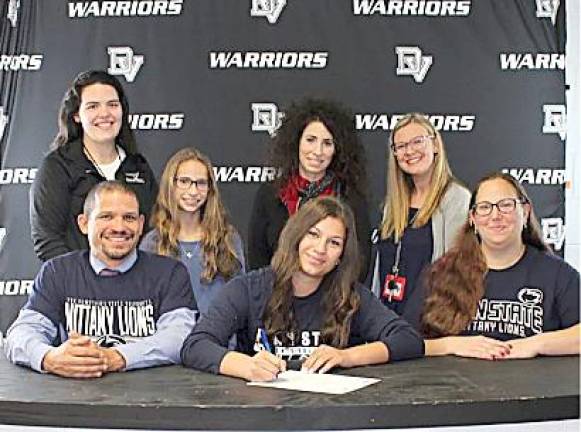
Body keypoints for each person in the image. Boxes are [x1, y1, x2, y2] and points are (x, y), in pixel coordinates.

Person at [181, 197, 424, 382]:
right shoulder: (248, 288)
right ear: (295, 236)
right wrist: (244, 366)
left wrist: (346, 356)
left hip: (329, 418)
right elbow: (196, 345)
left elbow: (408, 340)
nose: (320, 249)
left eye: (334, 243)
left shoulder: (351, 295)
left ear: (341, 256)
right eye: (313, 234)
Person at [5, 181, 197, 378]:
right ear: (84, 223)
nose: (119, 227)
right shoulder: (58, 272)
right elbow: (21, 333)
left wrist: (116, 357)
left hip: (151, 401)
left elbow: (180, 336)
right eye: (106, 216)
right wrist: (49, 358)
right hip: (74, 400)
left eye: (129, 218)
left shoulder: (169, 272)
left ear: (140, 225)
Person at [421, 172, 579, 359]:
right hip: (459, 386)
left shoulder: (558, 275)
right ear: (473, 218)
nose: (495, 216)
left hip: (533, 387)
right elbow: (406, 341)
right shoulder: (442, 272)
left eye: (506, 205)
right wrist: (451, 344)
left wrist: (536, 344)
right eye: (485, 207)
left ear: (525, 211)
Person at [30, 70, 158, 262]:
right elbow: (47, 241)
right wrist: (86, 282)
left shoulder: (138, 167)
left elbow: (154, 233)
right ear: (76, 115)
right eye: (93, 106)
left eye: (112, 105)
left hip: (134, 288)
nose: (104, 113)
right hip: (76, 287)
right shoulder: (57, 167)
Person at [248, 98, 371, 279]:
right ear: (296, 142)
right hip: (277, 299)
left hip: (332, 302)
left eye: (327, 143)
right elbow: (257, 258)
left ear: (338, 150)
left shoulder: (350, 199)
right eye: (311, 140)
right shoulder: (270, 193)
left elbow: (359, 264)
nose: (318, 151)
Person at [368, 113, 470, 329]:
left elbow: (450, 268)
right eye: (401, 145)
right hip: (386, 319)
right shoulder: (394, 203)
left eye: (417, 141)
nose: (410, 151)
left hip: (428, 322)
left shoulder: (456, 198)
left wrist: (409, 323)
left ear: (434, 144)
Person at [140, 148, 245, 315]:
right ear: (171, 184)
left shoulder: (228, 239)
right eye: (184, 181)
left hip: (218, 338)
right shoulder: (153, 243)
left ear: (210, 189)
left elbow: (240, 300)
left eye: (201, 183)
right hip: (169, 338)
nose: (193, 191)